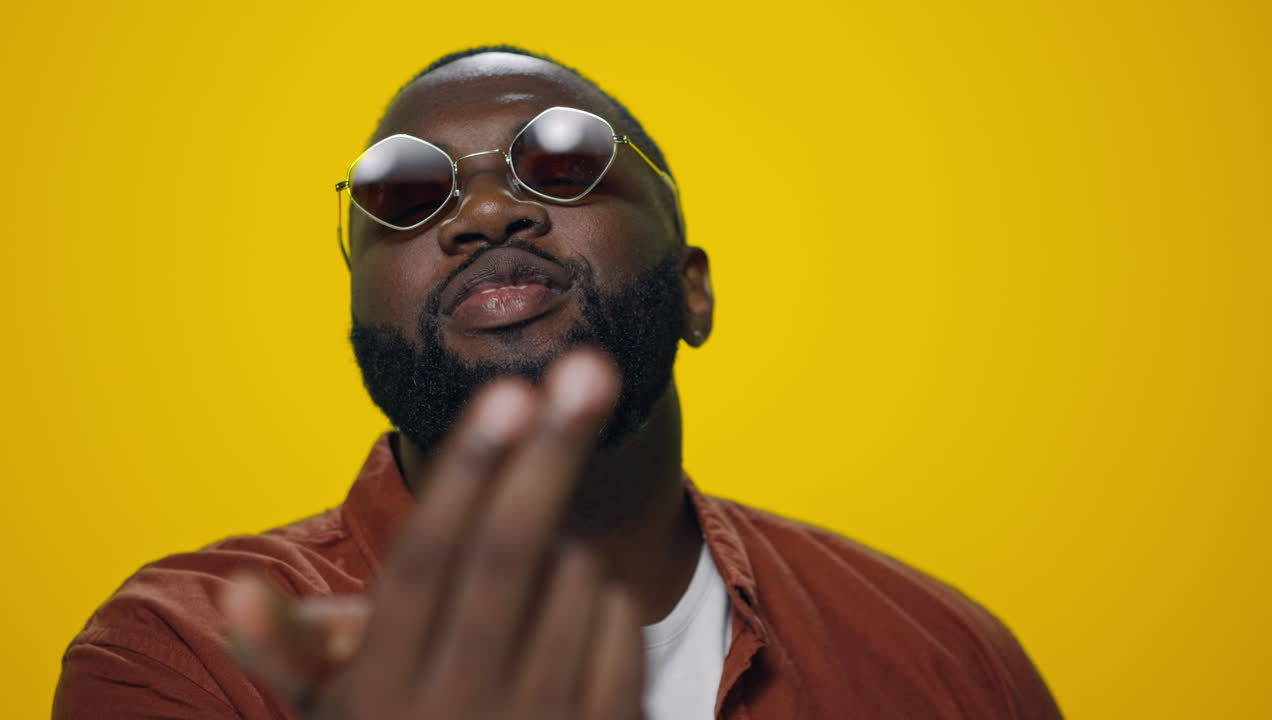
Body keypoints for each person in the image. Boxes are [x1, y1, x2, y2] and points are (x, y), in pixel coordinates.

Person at [53, 46, 1063, 719]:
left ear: (693, 291)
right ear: (358, 314)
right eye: (404, 193)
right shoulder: (187, 657)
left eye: (565, 160)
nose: (488, 213)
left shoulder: (944, 661)